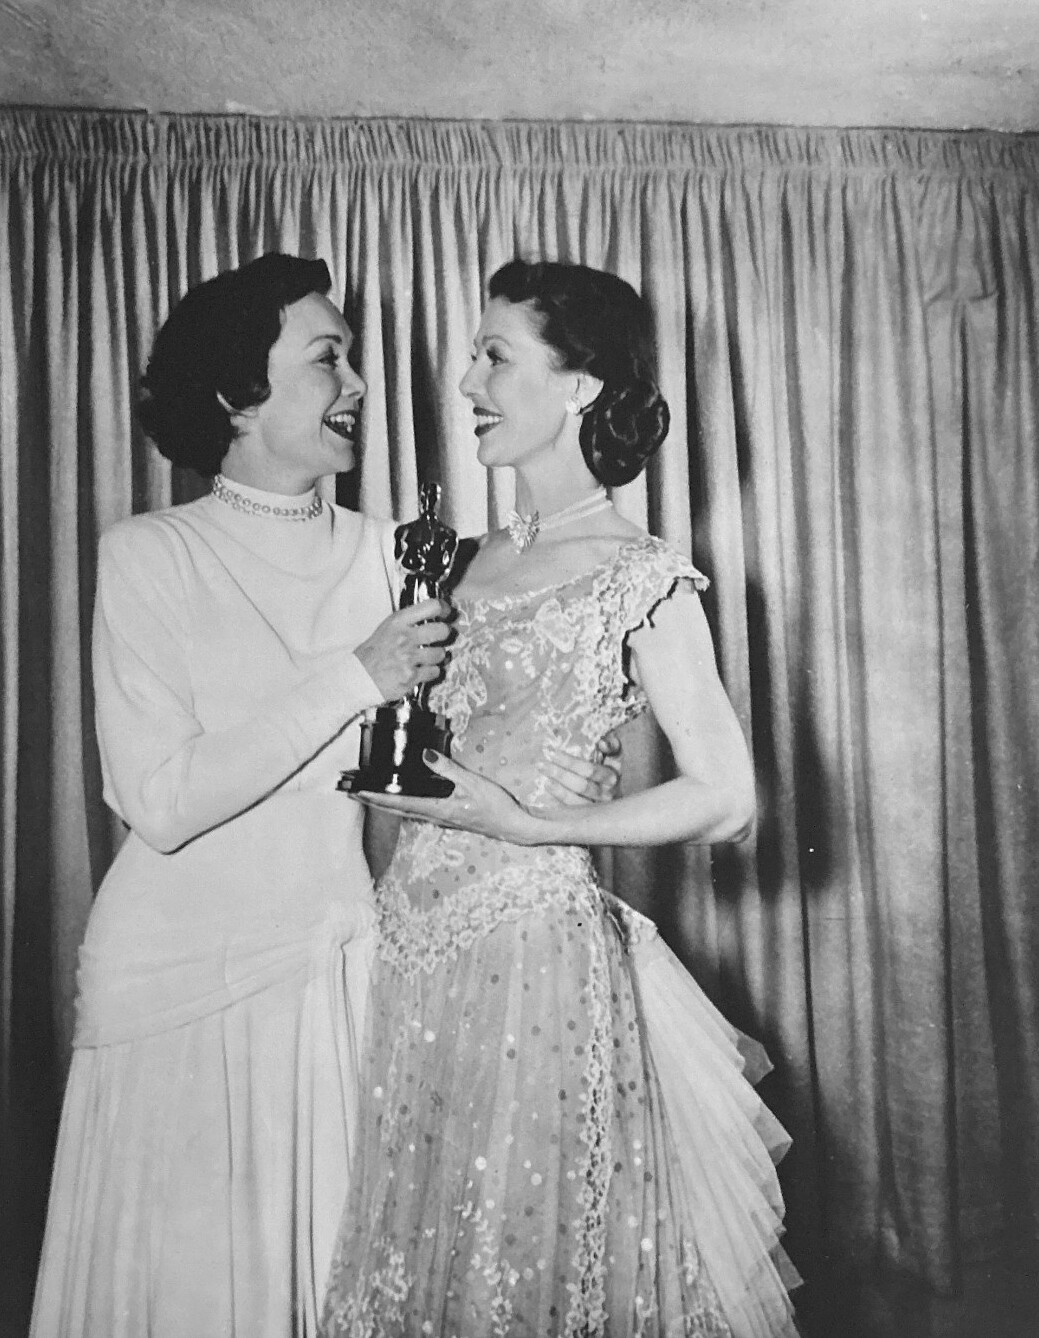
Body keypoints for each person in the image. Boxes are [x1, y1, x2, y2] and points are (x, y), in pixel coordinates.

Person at [29, 254, 619, 1338]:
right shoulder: (149, 555)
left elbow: (456, 732)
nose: (357, 386)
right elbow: (158, 801)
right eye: (327, 360)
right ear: (236, 395)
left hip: (343, 971)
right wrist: (355, 674)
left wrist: (553, 773)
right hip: (175, 985)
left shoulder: (399, 555)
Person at [321, 260, 800, 1336]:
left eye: (495, 357)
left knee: (528, 1264)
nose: (468, 382)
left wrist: (538, 825)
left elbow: (726, 797)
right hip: (412, 948)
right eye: (473, 356)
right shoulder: (457, 562)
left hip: (534, 954)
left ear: (579, 386)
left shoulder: (639, 574)